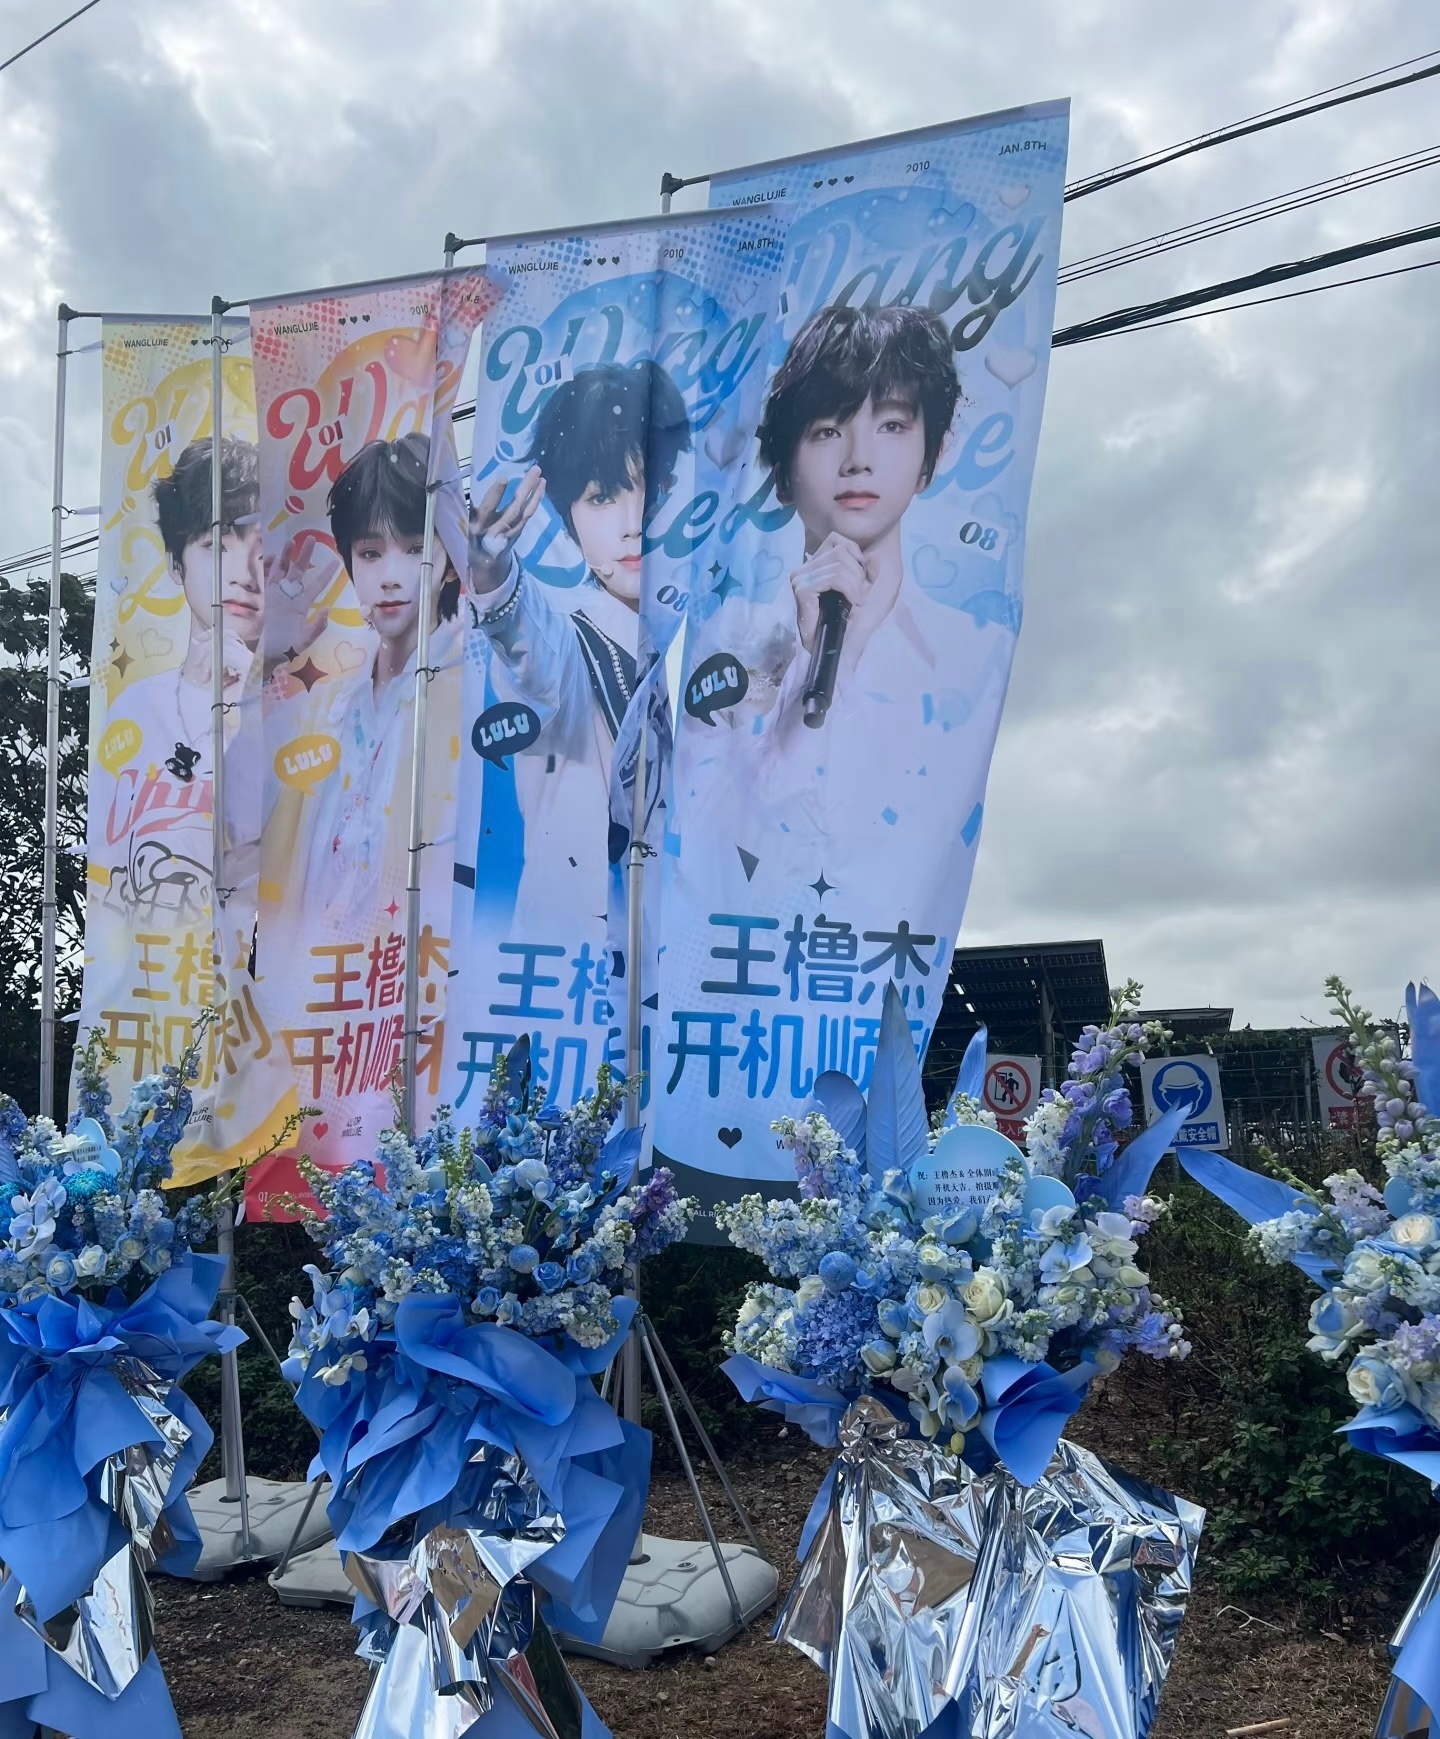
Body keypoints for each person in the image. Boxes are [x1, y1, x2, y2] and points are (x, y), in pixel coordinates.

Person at [740, 302, 1013, 875]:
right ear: (783, 472)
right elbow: (736, 833)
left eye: (891, 425)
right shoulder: (734, 652)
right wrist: (825, 657)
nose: (858, 460)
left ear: (931, 457)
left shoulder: (969, 653)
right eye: (827, 431)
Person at [464, 359, 690, 932]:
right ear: (569, 515)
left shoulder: (681, 642)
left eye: (648, 489)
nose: (632, 522)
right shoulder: (568, 637)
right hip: (571, 957)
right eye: (602, 497)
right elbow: (528, 646)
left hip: (667, 943)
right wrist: (492, 576)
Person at [275, 433, 463, 924]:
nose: (391, 576)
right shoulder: (328, 709)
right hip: (319, 963)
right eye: (371, 553)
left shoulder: (472, 693)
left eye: (416, 548)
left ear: (450, 562)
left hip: (420, 959)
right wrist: (270, 655)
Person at [101, 437, 263, 924]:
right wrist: (196, 696)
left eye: (264, 551)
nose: (244, 575)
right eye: (216, 546)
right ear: (177, 564)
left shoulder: (312, 709)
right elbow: (115, 883)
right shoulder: (137, 711)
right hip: (168, 958)